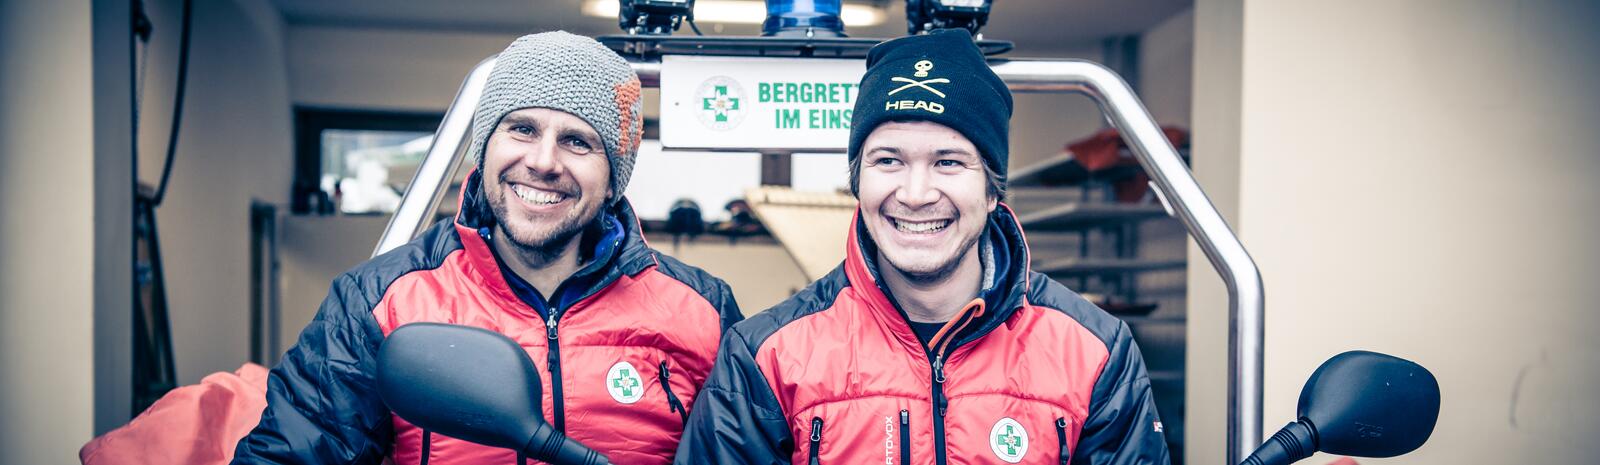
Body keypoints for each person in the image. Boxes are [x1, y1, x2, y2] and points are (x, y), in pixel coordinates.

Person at [234, 31, 742, 465]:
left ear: (613, 179)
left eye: (578, 142)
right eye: (522, 129)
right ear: (485, 149)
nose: (543, 162)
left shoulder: (703, 310)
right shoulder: (377, 300)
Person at [676, 29, 1171, 464]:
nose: (915, 194)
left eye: (949, 162)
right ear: (857, 182)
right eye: (888, 160)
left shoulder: (1095, 352)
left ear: (993, 189)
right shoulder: (766, 357)